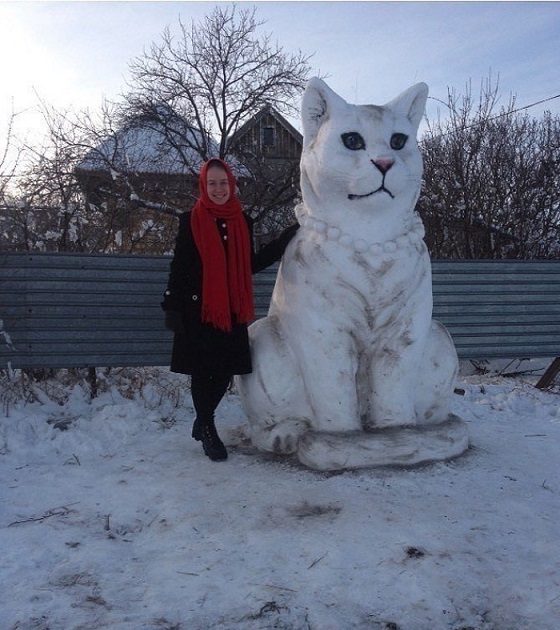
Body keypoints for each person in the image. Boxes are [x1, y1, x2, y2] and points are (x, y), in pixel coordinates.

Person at [161, 158, 298, 462]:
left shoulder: (242, 221)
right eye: (212, 183)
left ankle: (203, 418)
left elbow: (248, 265)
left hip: (231, 309)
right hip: (199, 309)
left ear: (232, 184)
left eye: (223, 183)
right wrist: (172, 305)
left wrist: (281, 243)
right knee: (202, 372)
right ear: (204, 186)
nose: (219, 188)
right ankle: (208, 430)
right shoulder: (190, 220)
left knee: (224, 372)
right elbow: (180, 266)